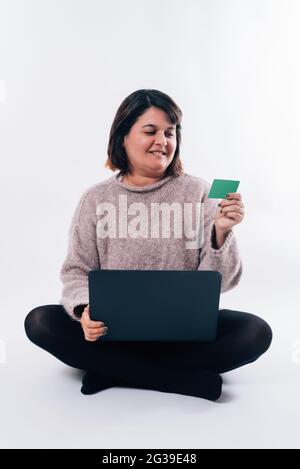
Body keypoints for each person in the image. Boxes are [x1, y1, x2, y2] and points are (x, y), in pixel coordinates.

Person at [24, 89, 272, 401]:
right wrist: (86, 311)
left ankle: (114, 371)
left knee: (255, 332)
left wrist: (221, 233)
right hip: (112, 334)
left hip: (183, 335)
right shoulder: (95, 198)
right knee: (39, 322)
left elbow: (222, 283)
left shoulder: (200, 193)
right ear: (123, 137)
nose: (163, 141)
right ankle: (180, 380)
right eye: (150, 131)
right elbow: (76, 271)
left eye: (170, 133)